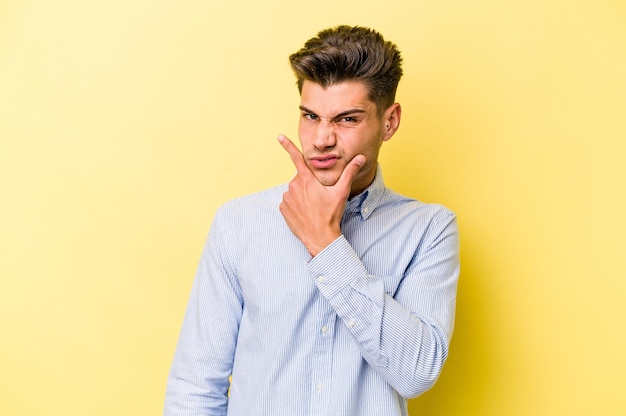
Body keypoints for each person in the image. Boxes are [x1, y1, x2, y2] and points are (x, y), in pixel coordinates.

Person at [164, 25, 460, 416]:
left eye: (347, 119)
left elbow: (417, 372)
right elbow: (196, 386)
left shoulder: (429, 230)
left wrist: (326, 243)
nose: (321, 139)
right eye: (310, 116)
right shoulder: (239, 223)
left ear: (389, 122)